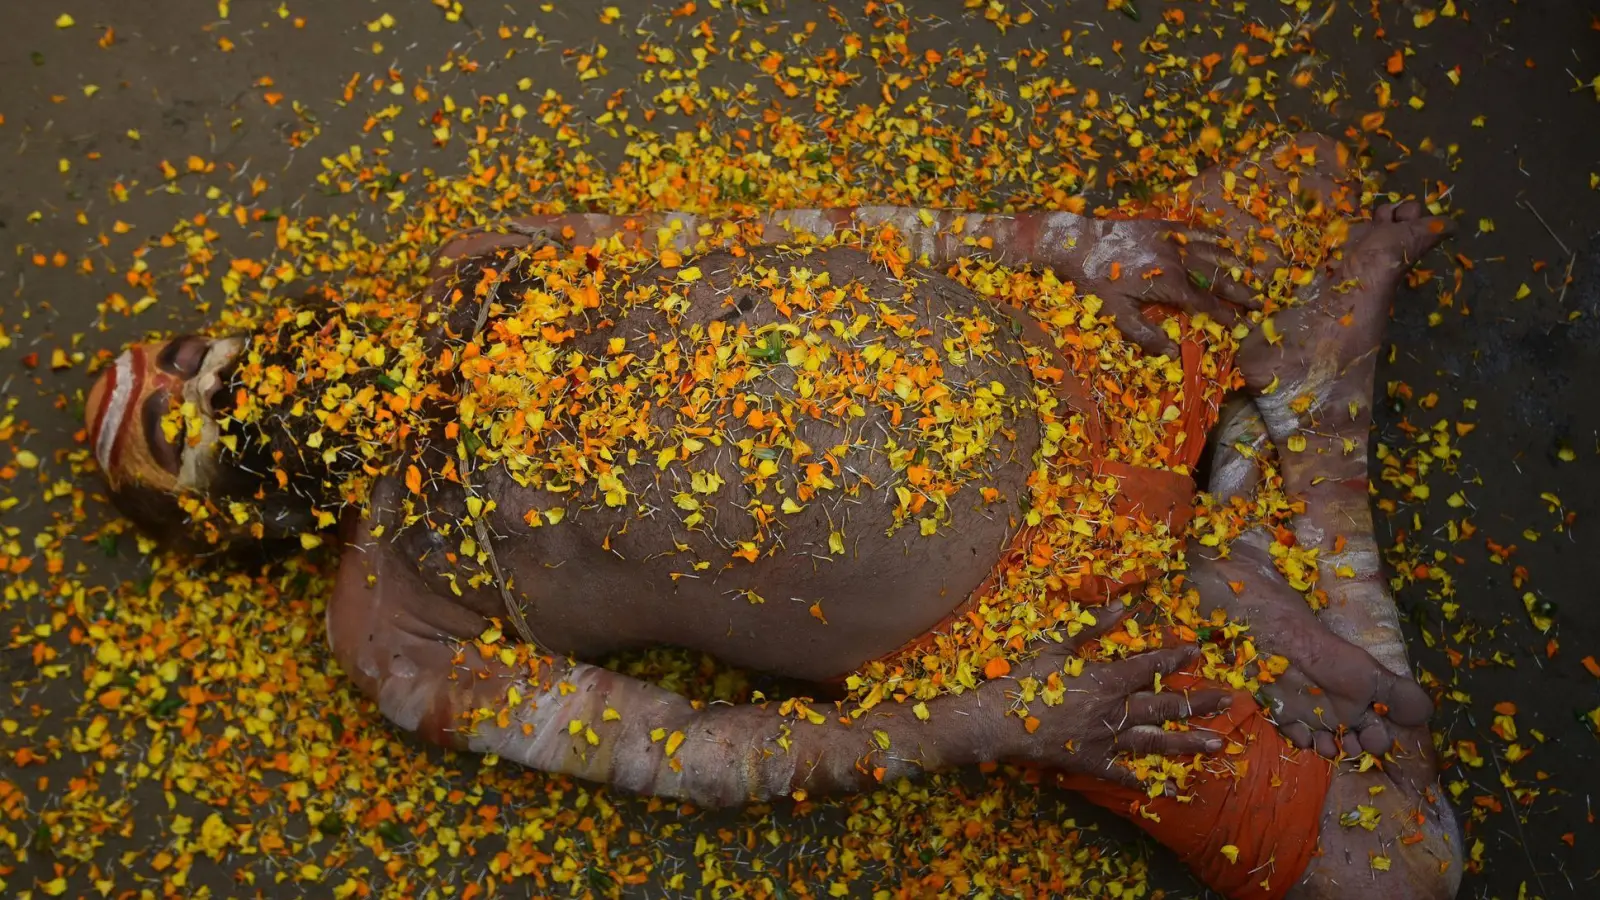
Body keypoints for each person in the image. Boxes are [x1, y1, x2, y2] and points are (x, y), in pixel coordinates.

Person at [85, 133, 1461, 899]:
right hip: (1036, 625)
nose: (215, 380)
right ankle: (1291, 451)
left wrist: (1072, 248)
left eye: (194, 350)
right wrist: (992, 724)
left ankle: (1272, 457)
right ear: (230, 519)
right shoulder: (388, 627)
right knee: (1402, 873)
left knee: (1304, 182)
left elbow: (785, 235)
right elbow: (691, 753)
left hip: (1073, 355)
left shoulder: (471, 265)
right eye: (180, 429)